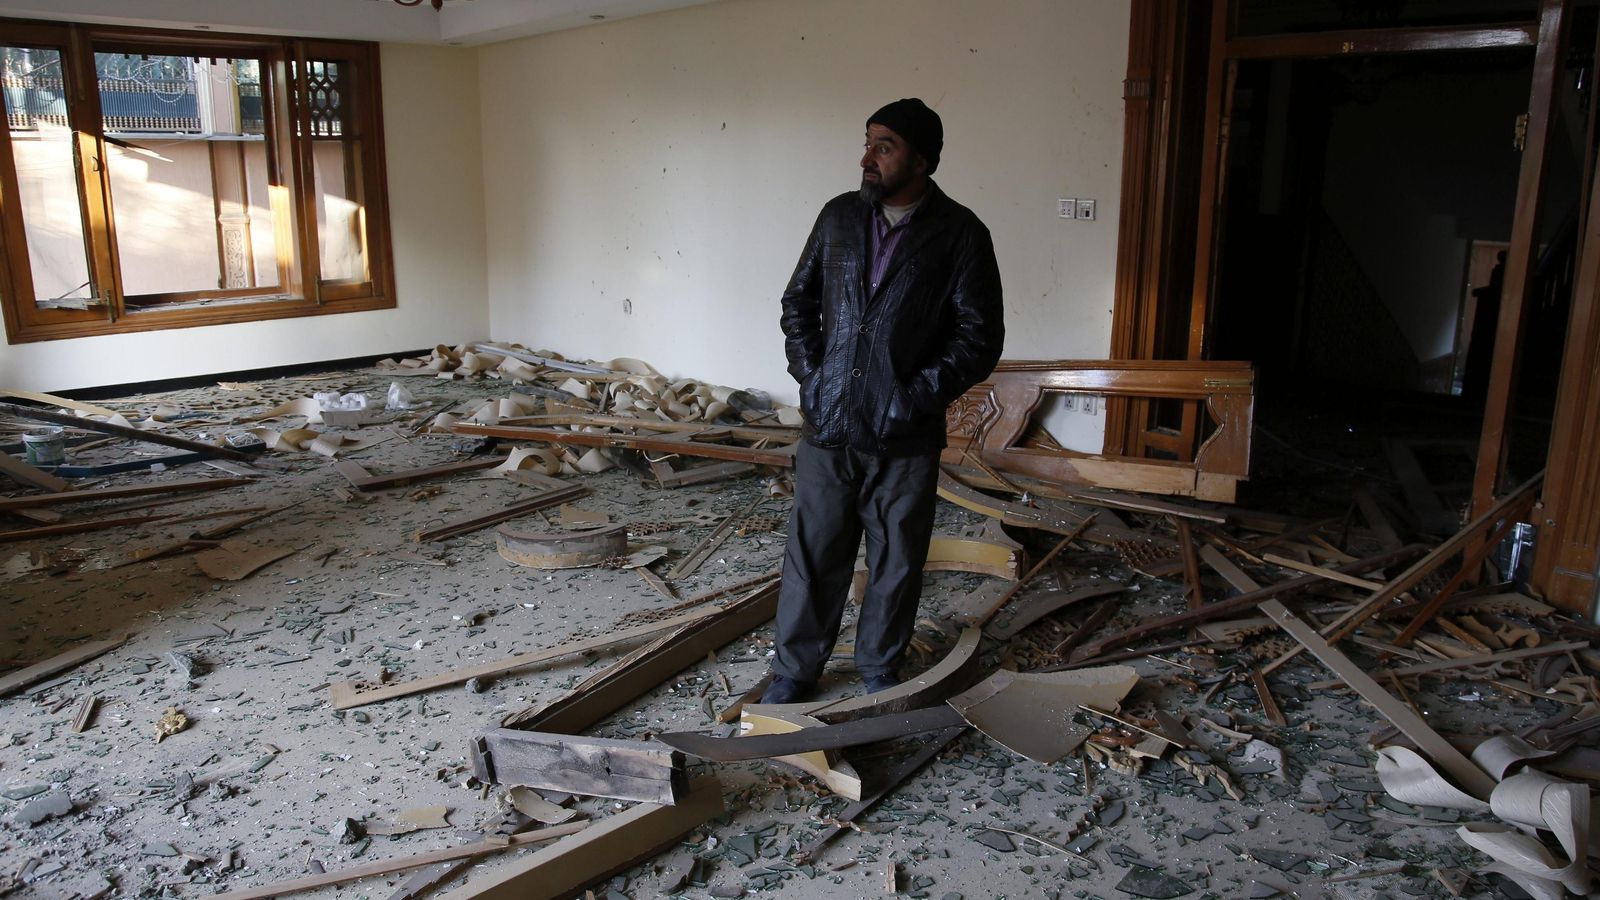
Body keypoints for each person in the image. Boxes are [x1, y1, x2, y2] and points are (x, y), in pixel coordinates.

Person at [766, 98, 1005, 704]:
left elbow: (979, 338)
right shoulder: (838, 218)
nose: (866, 158)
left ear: (922, 160)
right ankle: (795, 671)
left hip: (906, 434)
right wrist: (813, 378)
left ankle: (878, 666)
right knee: (813, 552)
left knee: (897, 557)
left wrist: (913, 398)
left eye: (884, 146)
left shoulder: (961, 233)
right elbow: (798, 304)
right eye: (867, 143)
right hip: (829, 421)